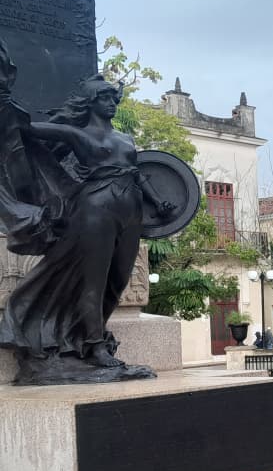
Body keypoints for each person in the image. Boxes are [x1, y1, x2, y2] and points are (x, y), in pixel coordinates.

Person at [0, 63, 174, 381]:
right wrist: (5, 102)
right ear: (91, 102)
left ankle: (88, 337)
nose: (112, 103)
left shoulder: (125, 137)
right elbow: (29, 129)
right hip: (96, 206)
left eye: (113, 98)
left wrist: (156, 201)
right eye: (105, 98)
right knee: (93, 279)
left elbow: (136, 172)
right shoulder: (75, 134)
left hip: (131, 207)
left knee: (118, 279)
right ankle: (94, 345)